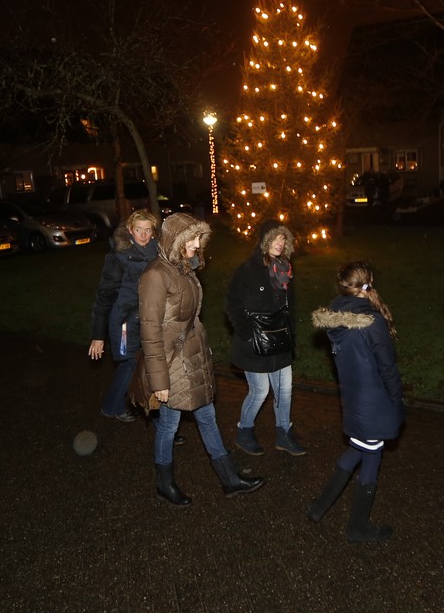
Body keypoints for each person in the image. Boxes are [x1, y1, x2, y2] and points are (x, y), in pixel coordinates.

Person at [132, 212, 265, 506]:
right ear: (175, 240)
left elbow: (190, 319)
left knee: (207, 416)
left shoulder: (183, 268)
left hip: (191, 359)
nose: (196, 244)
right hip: (170, 364)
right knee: (169, 425)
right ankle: (165, 484)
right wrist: (159, 381)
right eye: (191, 238)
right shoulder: (156, 275)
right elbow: (150, 332)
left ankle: (230, 480)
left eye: (198, 238)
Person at [308, 260, 404, 542]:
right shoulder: (371, 322)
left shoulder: (337, 313)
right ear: (369, 282)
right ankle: (357, 527)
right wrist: (397, 403)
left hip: (353, 398)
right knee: (372, 458)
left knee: (357, 450)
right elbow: (388, 368)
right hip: (374, 402)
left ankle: (319, 506)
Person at [225, 219, 305, 456]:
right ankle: (244, 430)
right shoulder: (248, 270)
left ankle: (283, 433)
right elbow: (232, 305)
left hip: (280, 340)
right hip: (255, 342)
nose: (279, 243)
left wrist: (291, 337)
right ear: (264, 240)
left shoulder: (285, 269)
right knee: (260, 391)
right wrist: (248, 335)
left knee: (284, 390)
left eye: (283, 238)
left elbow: (290, 308)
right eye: (275, 238)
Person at [88, 210, 160, 422]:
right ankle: (115, 407)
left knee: (139, 364)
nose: (143, 235)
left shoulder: (159, 252)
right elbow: (104, 296)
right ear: (130, 230)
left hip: (149, 319)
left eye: (148, 230)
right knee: (132, 364)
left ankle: (115, 406)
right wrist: (98, 336)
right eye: (139, 230)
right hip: (124, 322)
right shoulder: (119, 256)